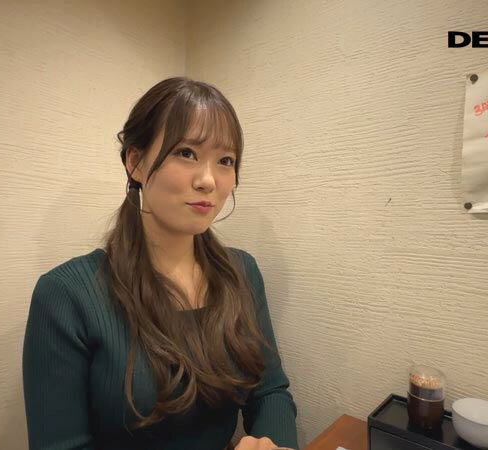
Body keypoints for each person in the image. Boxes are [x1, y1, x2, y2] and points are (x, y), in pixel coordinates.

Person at [22, 77, 298, 450]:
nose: (208, 180)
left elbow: (269, 391)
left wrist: (273, 445)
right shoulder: (66, 295)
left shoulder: (242, 272)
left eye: (225, 161)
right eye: (186, 153)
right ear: (135, 162)